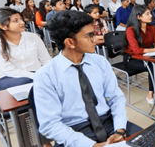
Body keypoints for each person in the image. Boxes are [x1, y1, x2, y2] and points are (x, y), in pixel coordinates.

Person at [33, 10, 142, 147]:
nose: (95, 39)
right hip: (74, 129)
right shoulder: (46, 75)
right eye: (89, 36)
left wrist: (119, 130)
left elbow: (116, 98)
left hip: (108, 121)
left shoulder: (100, 62)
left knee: (149, 141)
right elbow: (50, 124)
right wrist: (93, 146)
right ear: (70, 42)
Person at [0, 7, 52, 92]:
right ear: (2, 26)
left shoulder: (33, 37)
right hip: (7, 79)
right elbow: (9, 71)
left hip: (36, 75)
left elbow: (46, 60)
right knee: (29, 82)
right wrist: (37, 76)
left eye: (21, 19)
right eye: (15, 21)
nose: (22, 22)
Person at [123, 5, 155, 107]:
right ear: (139, 17)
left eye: (150, 13)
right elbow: (137, 51)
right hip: (131, 58)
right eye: (147, 14)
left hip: (145, 56)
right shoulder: (130, 30)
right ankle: (151, 95)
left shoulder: (151, 28)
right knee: (153, 67)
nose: (151, 15)